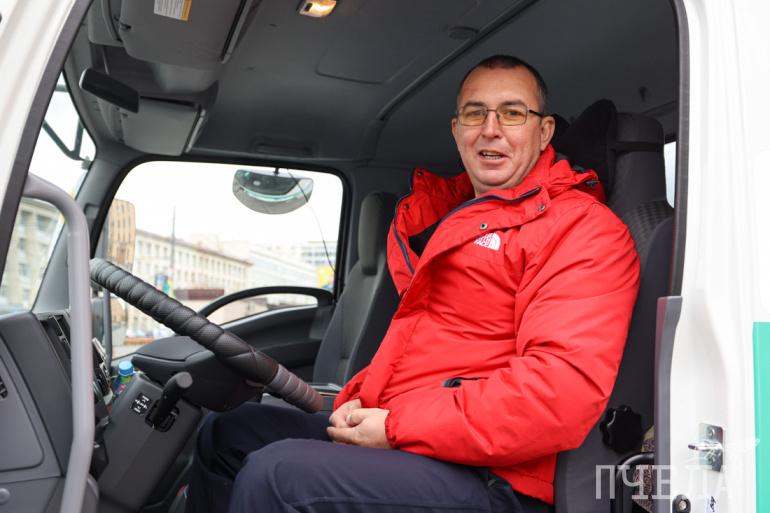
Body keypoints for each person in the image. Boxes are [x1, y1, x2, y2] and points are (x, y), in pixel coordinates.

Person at [186, 55, 640, 513]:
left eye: (513, 113)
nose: (491, 129)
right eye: (475, 113)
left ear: (543, 133)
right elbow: (423, 357)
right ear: (456, 130)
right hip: (425, 439)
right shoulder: (452, 222)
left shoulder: (581, 230)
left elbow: (554, 394)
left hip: (499, 478)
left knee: (276, 477)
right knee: (227, 434)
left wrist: (395, 425)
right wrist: (358, 401)